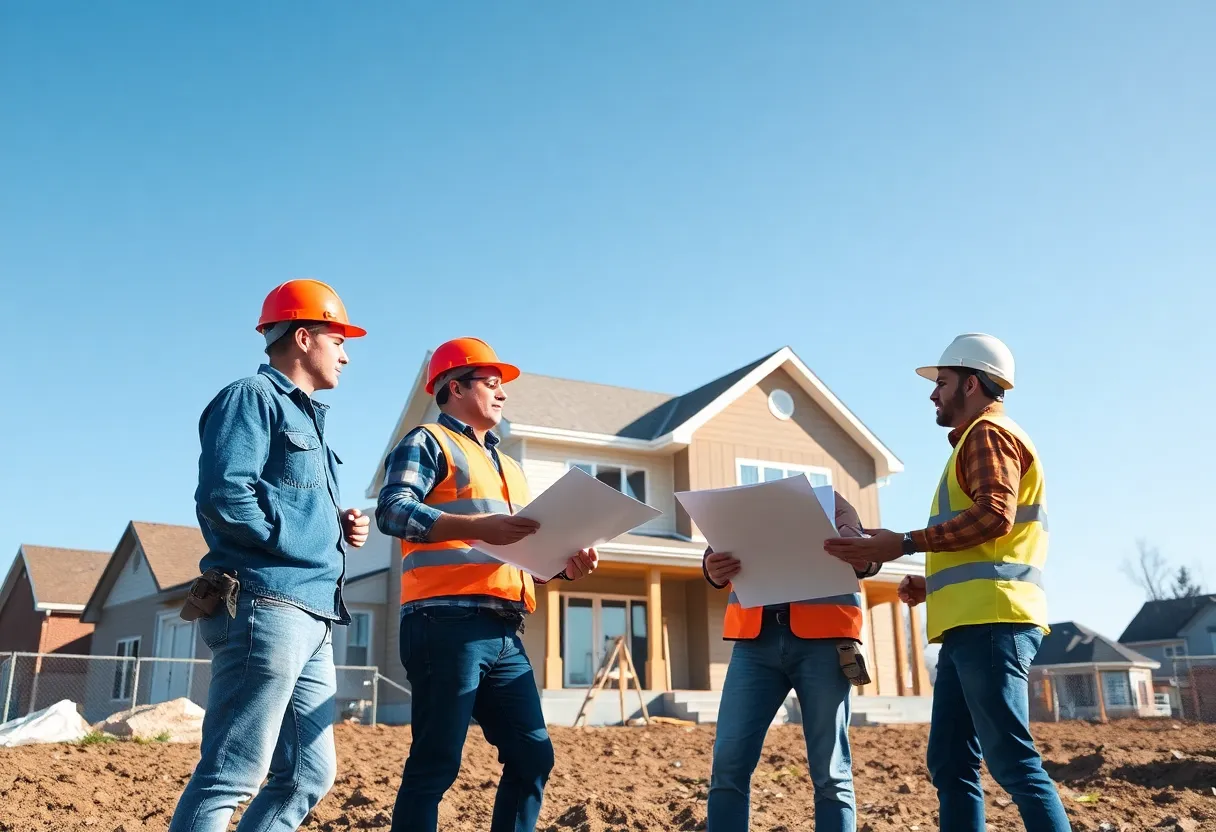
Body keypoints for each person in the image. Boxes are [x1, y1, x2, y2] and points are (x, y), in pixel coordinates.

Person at [824, 333, 1070, 831]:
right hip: (973, 625)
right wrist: (932, 584)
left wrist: (903, 542)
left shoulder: (988, 434)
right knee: (951, 762)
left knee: (1013, 762)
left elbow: (994, 516)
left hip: (992, 624)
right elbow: (988, 547)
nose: (933, 394)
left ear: (972, 384)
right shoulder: (982, 438)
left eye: (942, 382)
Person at [169, 279, 371, 832]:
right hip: (267, 603)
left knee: (307, 776)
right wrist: (304, 539)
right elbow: (224, 495)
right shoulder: (250, 397)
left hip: (314, 611)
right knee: (230, 775)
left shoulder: (309, 420)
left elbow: (285, 501)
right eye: (338, 341)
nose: (346, 356)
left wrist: (334, 526)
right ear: (303, 337)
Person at [376, 337, 600, 832]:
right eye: (491, 383)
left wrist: (563, 565)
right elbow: (392, 511)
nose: (503, 394)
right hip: (444, 622)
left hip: (503, 630)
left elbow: (517, 555)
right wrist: (479, 527)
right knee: (436, 762)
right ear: (454, 387)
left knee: (532, 756)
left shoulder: (510, 468)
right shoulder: (428, 441)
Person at [703, 493, 880, 832]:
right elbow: (716, 556)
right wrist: (712, 568)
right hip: (754, 643)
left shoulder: (834, 505)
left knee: (831, 772)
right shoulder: (744, 508)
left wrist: (860, 551)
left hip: (825, 641)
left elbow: (869, 559)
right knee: (728, 764)